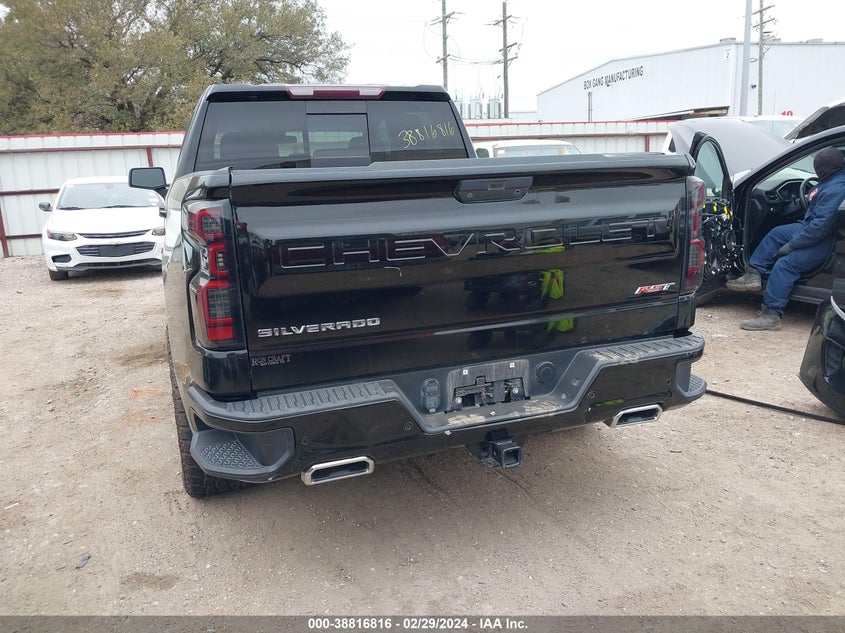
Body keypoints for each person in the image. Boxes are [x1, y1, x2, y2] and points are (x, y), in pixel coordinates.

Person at [725, 147, 845, 331]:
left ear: (823, 169)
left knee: (785, 265)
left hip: (825, 241)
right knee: (776, 234)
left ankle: (771, 314)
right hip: (811, 229)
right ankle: (753, 274)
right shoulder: (834, 179)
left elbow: (820, 228)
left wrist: (792, 245)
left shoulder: (837, 188)